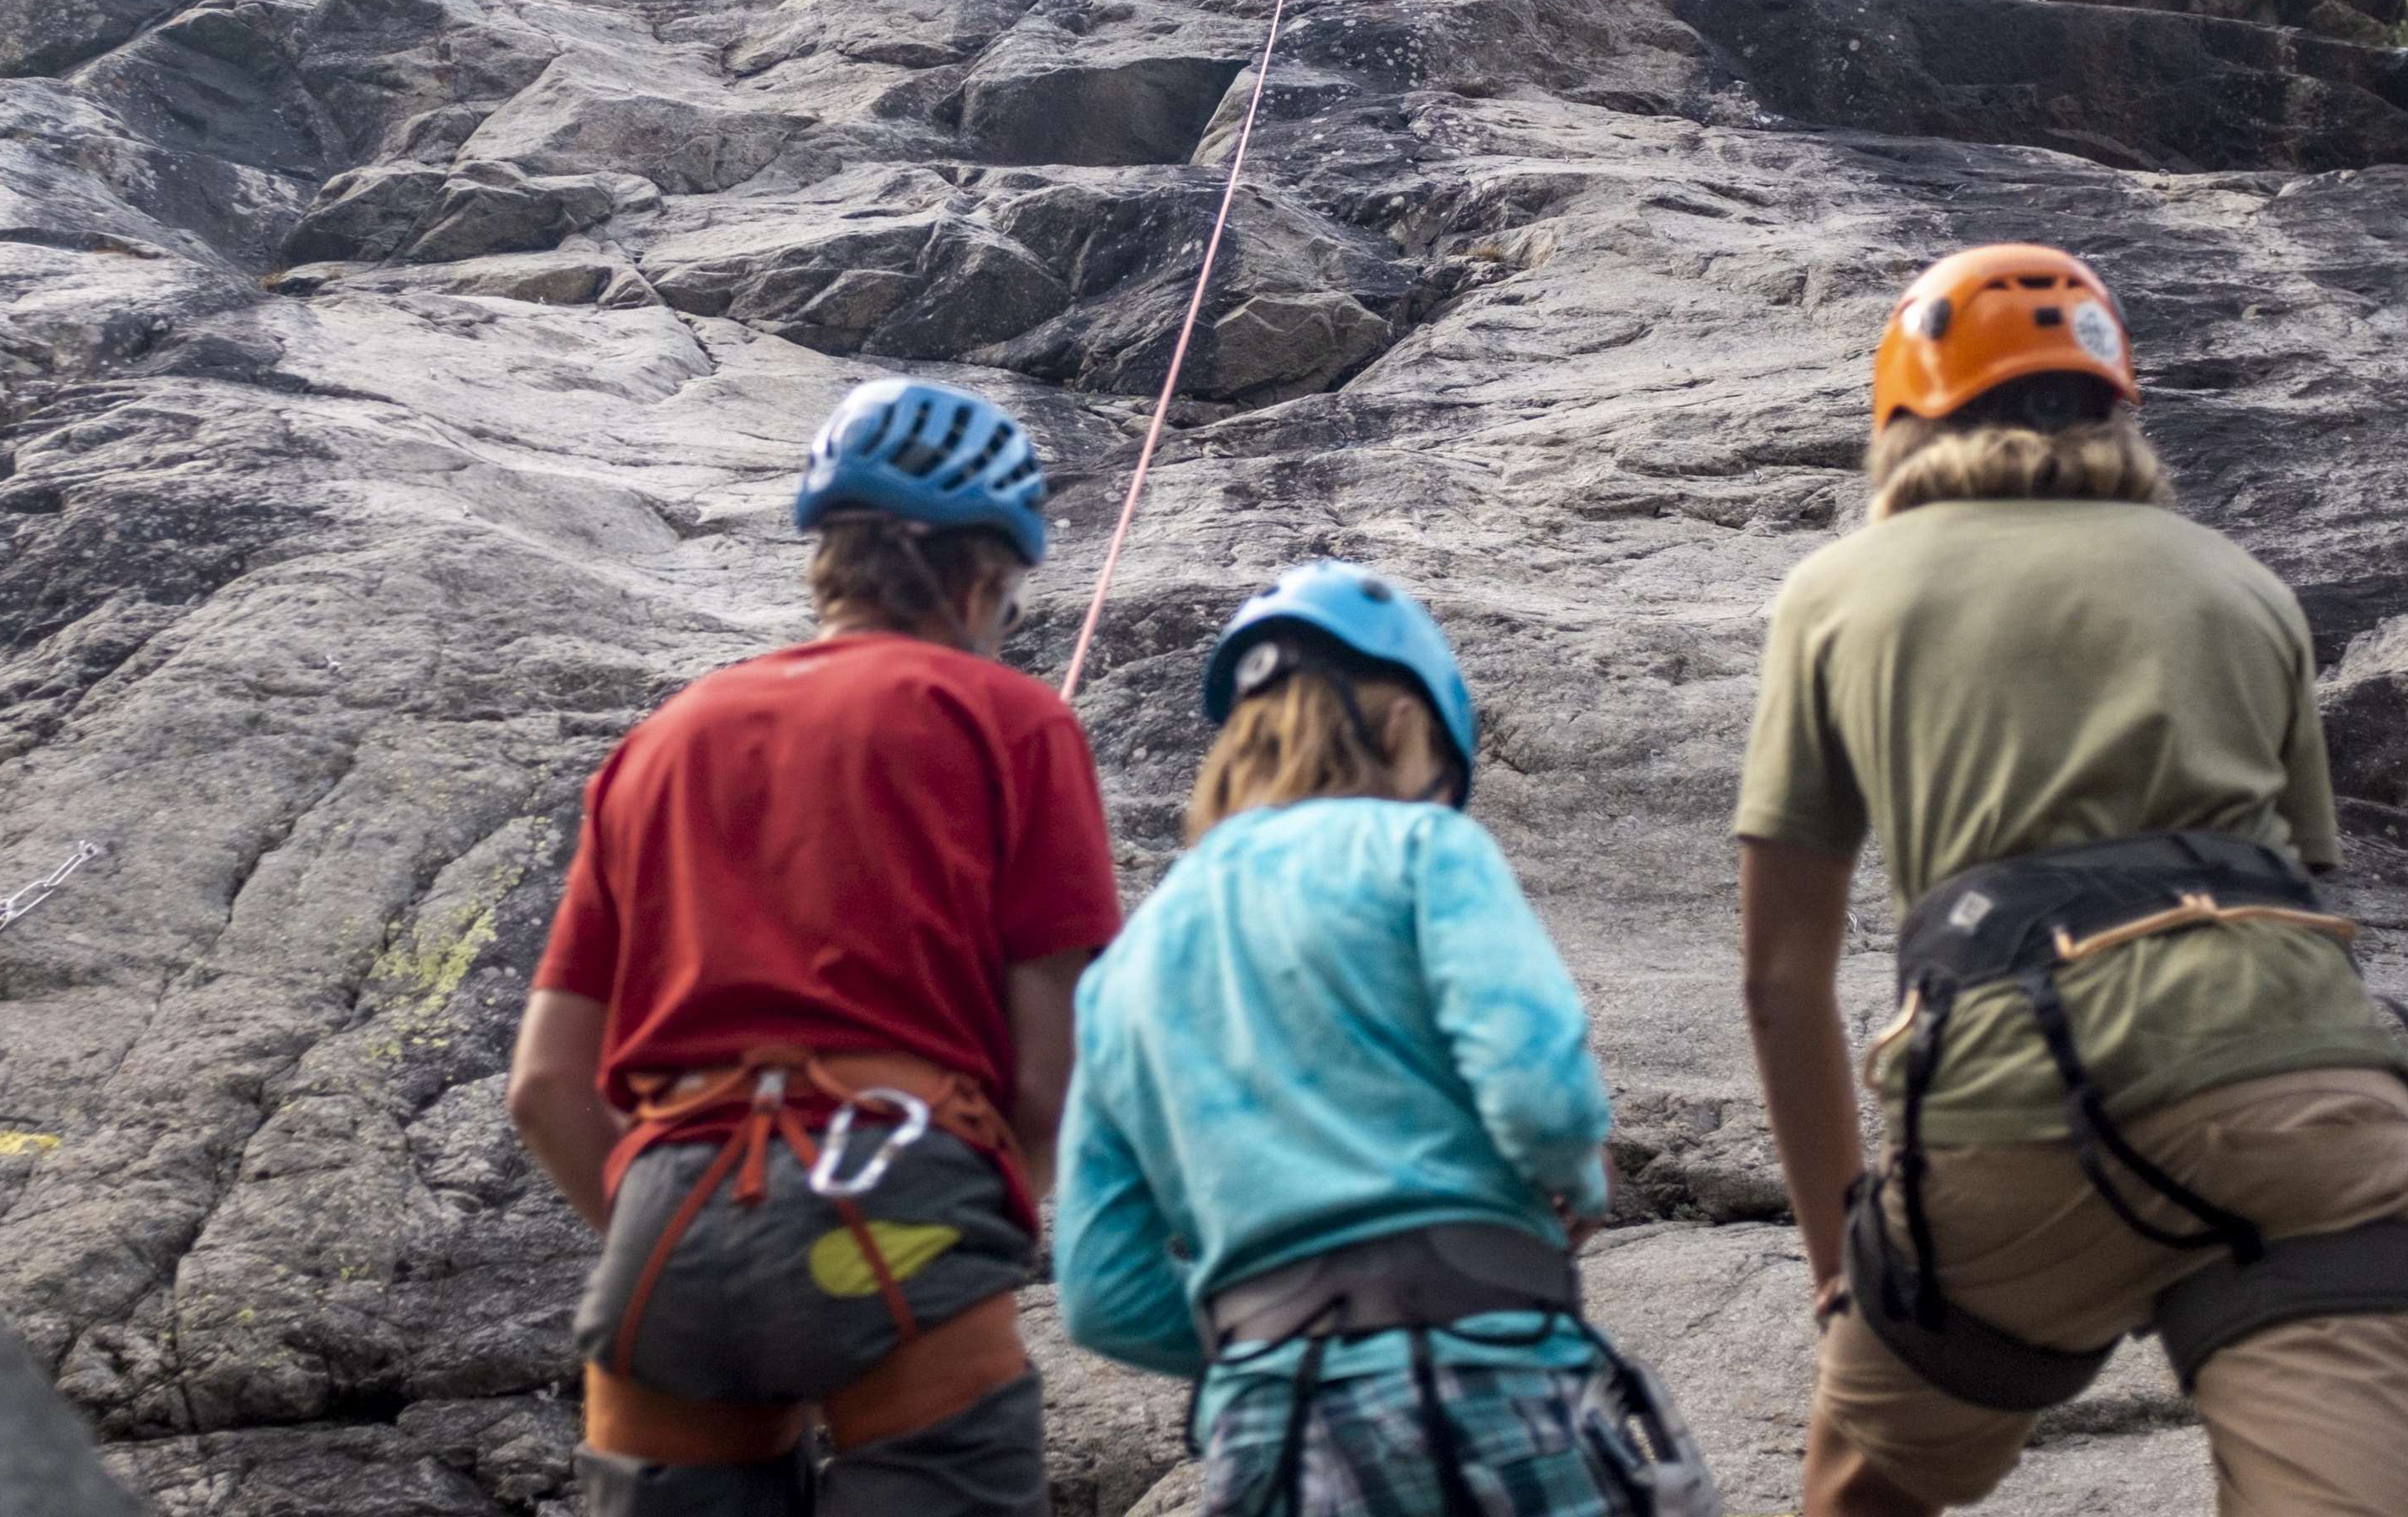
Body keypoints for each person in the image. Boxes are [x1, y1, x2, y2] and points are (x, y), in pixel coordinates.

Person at [1734, 244, 2408, 1517]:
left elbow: (1778, 977)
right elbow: (2310, 899)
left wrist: (1842, 1275)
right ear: (2113, 407)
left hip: (2012, 1104)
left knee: (1858, 1492)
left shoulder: (1838, 591)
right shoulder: (2246, 588)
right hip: (2304, 1104)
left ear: (1907, 414)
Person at [508, 376, 1124, 1517]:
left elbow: (545, 1085)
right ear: (984, 576)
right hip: (897, 1196)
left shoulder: (657, 744)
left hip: (668, 1222)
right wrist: (987, 1218)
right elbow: (1056, 1064)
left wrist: (701, 1242)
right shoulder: (1013, 720)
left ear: (828, 552)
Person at [1056, 561, 1715, 1517]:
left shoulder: (1124, 967)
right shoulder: (1421, 849)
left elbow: (1101, 1288)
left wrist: (1266, 1330)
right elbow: (1539, 1096)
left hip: (1266, 1441)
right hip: (1483, 1376)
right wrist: (1577, 1181)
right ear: (1408, 722)